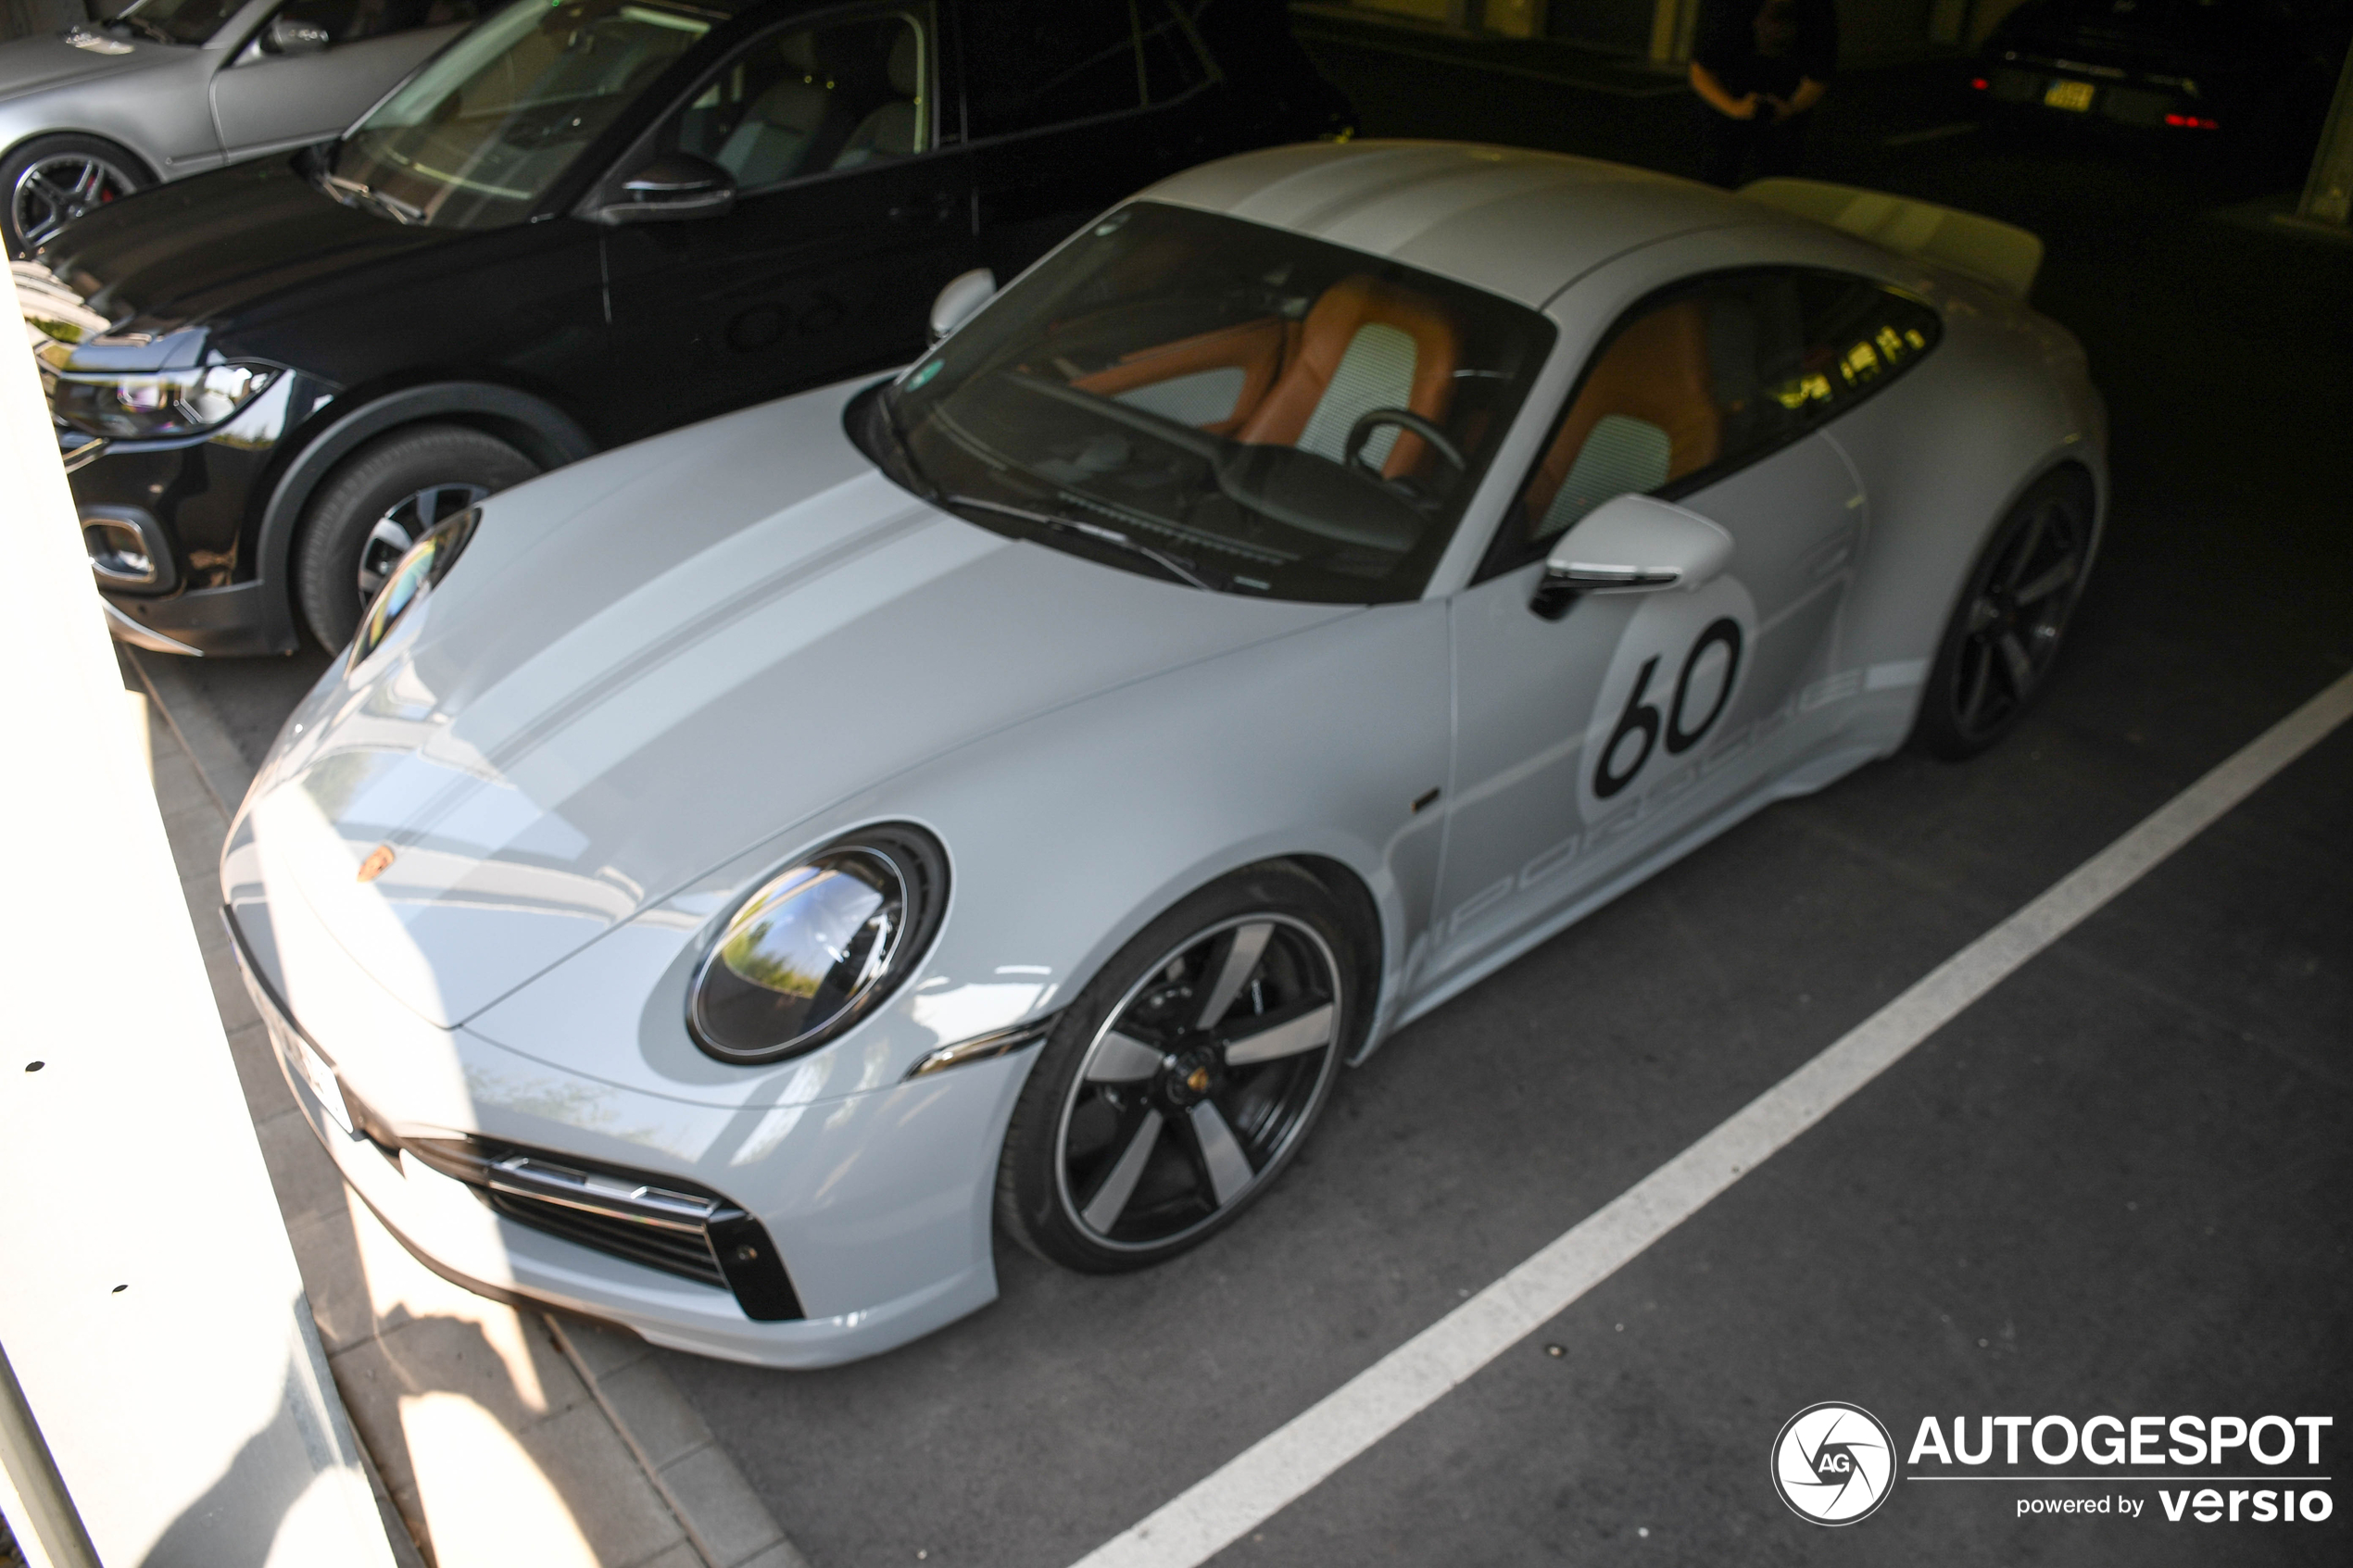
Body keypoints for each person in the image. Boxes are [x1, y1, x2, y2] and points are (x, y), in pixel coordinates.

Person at [1689, 0, 1838, 189]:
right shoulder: (1728, 7)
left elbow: (1820, 74)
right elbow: (1701, 70)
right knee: (1717, 171)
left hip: (1787, 97)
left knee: (1780, 179)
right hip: (1728, 94)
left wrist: (1791, 107)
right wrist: (1734, 108)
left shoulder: (1817, 9)